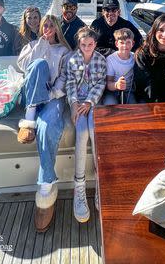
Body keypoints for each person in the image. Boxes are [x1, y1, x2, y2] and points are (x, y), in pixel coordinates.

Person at [17, 14, 71, 232]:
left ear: (57, 28)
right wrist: (40, 45)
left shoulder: (63, 51)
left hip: (51, 97)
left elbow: (64, 78)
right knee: (38, 64)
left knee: (48, 127)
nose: (47, 28)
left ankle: (46, 188)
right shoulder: (32, 45)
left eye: (51, 25)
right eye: (44, 25)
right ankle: (28, 121)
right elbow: (23, 67)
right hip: (30, 96)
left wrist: (52, 95)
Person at [66, 27, 106, 223]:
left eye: (90, 44)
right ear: (79, 44)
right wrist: (74, 105)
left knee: (94, 130)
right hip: (77, 102)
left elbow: (100, 84)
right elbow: (70, 84)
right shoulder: (72, 59)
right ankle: (79, 186)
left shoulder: (100, 59)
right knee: (81, 132)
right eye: (83, 45)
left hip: (93, 101)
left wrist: (89, 102)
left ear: (95, 44)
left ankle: (100, 184)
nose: (87, 47)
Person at [103, 28, 136, 104]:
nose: (125, 45)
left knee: (134, 108)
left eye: (128, 42)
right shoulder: (110, 59)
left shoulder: (135, 57)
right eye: (122, 42)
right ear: (116, 44)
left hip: (129, 91)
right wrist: (117, 85)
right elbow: (108, 83)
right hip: (113, 91)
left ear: (133, 43)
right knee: (109, 105)